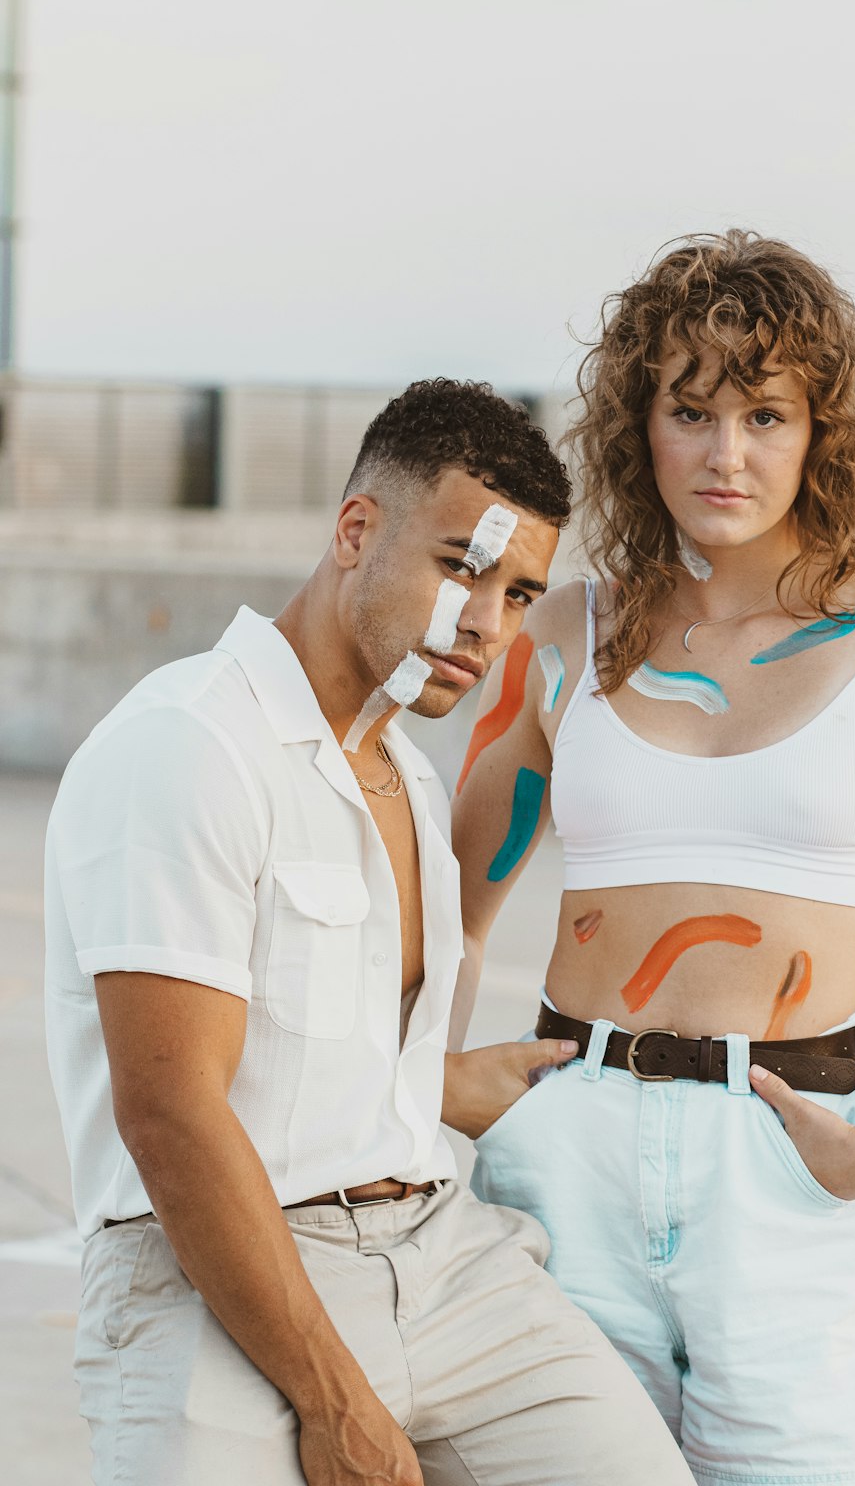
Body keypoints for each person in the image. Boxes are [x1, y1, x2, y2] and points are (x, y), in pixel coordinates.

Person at [45, 378, 694, 1486]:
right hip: (219, 1273)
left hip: (439, 1256)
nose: (487, 623)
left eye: (520, 591)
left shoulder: (405, 774)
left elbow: (309, 1041)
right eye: (460, 567)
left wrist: (437, 1085)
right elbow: (173, 1113)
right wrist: (331, 1397)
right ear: (356, 531)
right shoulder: (188, 745)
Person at [450, 233, 855, 1486]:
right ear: (639, 426)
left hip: (794, 1164)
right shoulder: (565, 636)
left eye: (764, 412)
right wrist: (435, 1078)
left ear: (821, 430)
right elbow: (446, 906)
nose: (726, 454)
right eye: (688, 410)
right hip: (564, 1152)